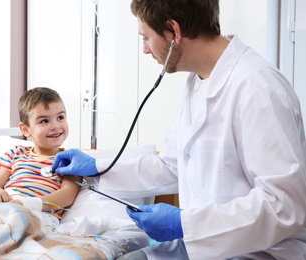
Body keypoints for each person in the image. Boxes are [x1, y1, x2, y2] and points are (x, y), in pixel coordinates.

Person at [51, 0, 306, 259]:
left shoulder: (257, 87)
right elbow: (171, 165)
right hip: (204, 245)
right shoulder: (196, 83)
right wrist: (98, 166)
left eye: (146, 37)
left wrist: (185, 224)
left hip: (260, 251)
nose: (145, 50)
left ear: (174, 32)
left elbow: (284, 205)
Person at [0, 87, 81, 217]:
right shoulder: (16, 153)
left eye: (60, 117)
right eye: (44, 121)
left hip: (38, 214)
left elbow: (68, 195)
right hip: (6, 207)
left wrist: (29, 204)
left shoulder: (70, 160)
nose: (55, 126)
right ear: (25, 129)